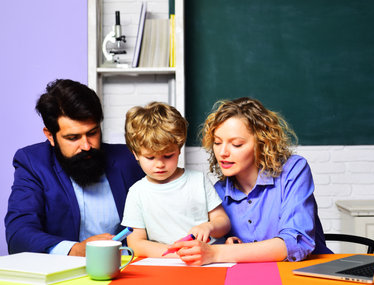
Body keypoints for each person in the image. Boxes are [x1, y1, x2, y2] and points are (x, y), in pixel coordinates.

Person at [170, 97, 332, 265]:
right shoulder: (218, 192)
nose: (222, 152)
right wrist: (226, 244)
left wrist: (218, 253)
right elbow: (220, 245)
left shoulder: (293, 170)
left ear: (262, 144)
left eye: (237, 144)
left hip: (309, 272)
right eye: (217, 142)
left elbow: (295, 244)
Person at [5, 79, 145, 256]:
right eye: (73, 138)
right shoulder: (32, 163)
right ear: (50, 136)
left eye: (92, 133)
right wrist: (75, 250)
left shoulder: (128, 158)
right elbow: (18, 234)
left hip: (125, 271)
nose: (86, 146)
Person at [121, 102, 231, 257]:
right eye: (150, 157)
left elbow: (223, 222)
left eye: (168, 156)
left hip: (207, 259)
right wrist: (178, 254)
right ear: (135, 154)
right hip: (168, 262)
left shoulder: (198, 180)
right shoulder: (137, 193)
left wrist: (210, 227)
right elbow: (136, 244)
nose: (160, 164)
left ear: (179, 148)